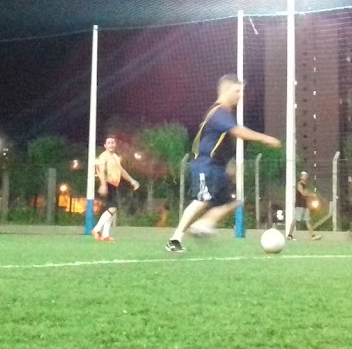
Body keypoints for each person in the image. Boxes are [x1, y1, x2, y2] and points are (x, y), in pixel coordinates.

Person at [166, 74, 281, 253]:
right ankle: (175, 239)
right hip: (205, 165)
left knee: (233, 203)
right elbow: (238, 132)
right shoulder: (218, 112)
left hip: (218, 168)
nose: (240, 95)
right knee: (202, 200)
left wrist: (229, 165)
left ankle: (204, 223)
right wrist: (265, 138)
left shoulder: (226, 114)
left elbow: (221, 143)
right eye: (237, 91)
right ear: (225, 90)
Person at [92, 136, 138, 242]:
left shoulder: (116, 157)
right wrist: (103, 184)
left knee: (111, 209)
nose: (111, 144)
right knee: (112, 208)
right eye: (109, 143)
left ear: (115, 144)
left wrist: (132, 180)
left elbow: (121, 170)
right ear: (105, 145)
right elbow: (100, 171)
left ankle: (105, 235)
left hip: (114, 184)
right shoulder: (103, 156)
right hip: (108, 184)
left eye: (113, 142)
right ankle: (96, 229)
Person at [289, 171, 321, 240]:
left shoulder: (305, 185)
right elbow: (303, 193)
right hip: (299, 205)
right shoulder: (299, 184)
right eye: (304, 176)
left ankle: (313, 236)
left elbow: (306, 193)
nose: (305, 177)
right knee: (295, 220)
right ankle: (289, 235)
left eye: (306, 176)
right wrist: (311, 195)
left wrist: (309, 195)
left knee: (307, 220)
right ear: (301, 177)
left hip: (304, 205)